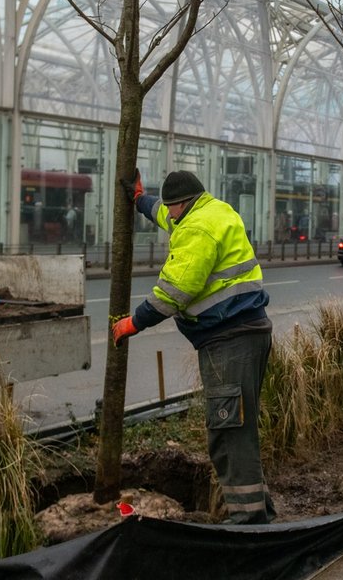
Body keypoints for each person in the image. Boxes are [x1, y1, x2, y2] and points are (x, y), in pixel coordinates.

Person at [113, 169, 276, 524]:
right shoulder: (214, 210)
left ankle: (248, 524)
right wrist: (141, 199)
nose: (169, 216)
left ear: (184, 204)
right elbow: (162, 213)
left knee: (228, 432)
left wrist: (133, 322)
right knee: (241, 428)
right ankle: (260, 510)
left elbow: (174, 292)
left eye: (173, 209)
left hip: (228, 341)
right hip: (250, 334)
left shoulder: (196, 229)